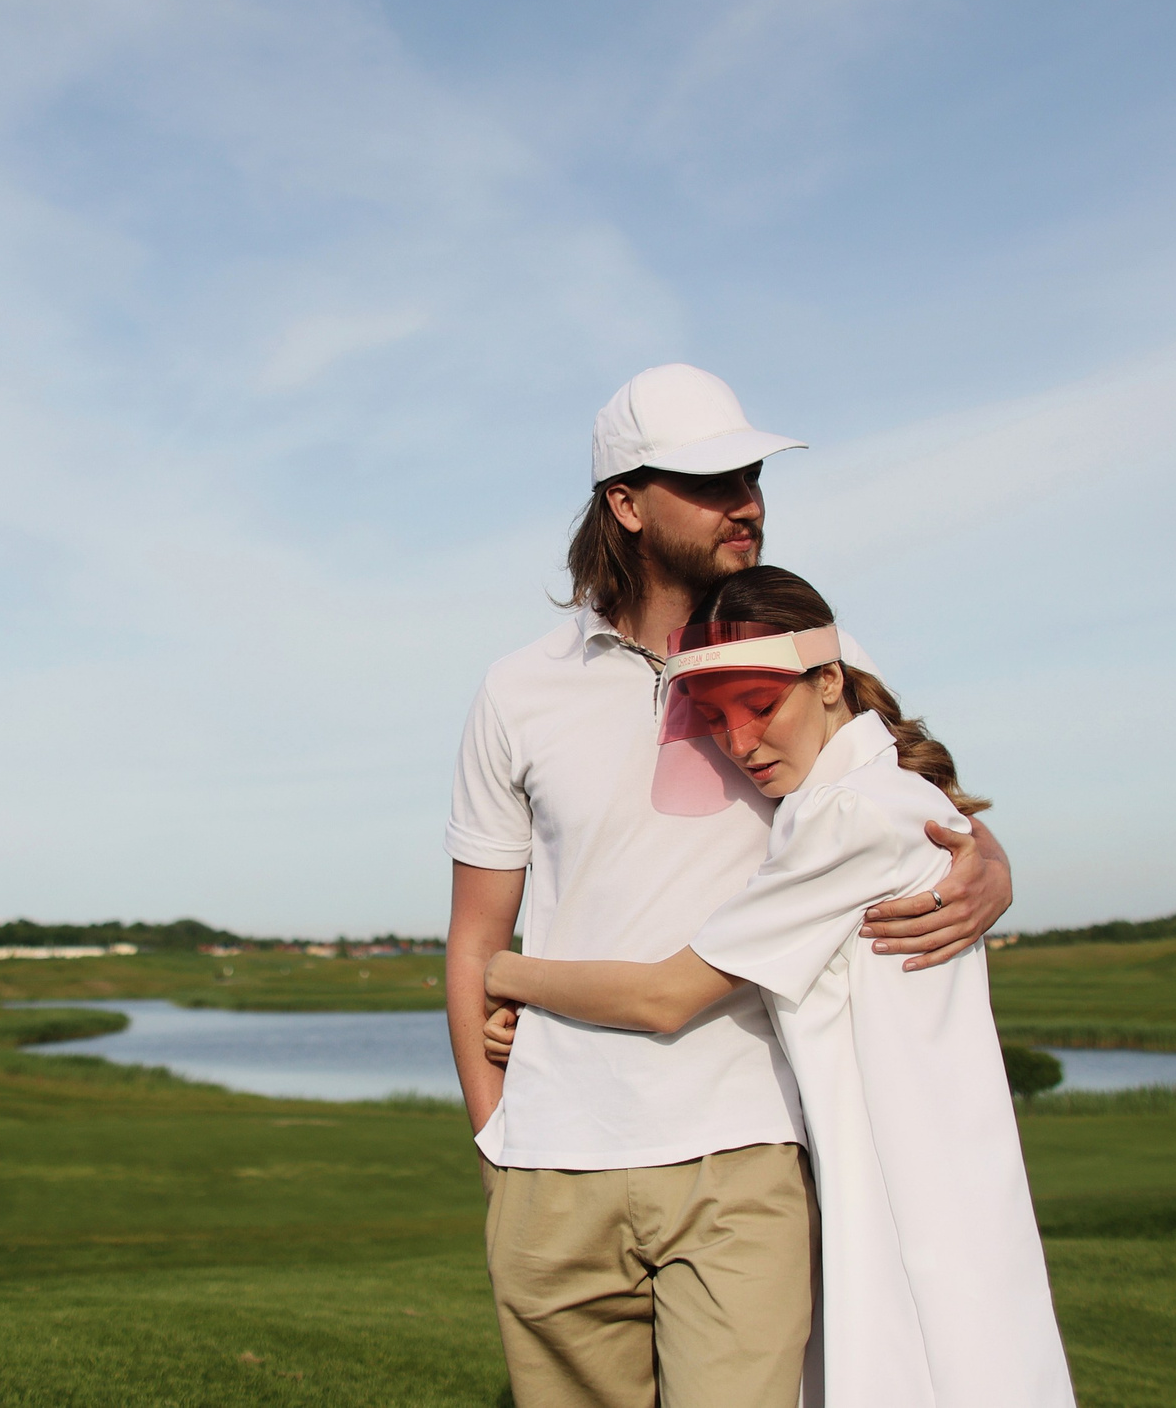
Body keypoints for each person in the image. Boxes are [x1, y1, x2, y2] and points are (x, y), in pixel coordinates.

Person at [446, 364, 1016, 1408]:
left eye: (748, 474)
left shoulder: (812, 650)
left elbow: (915, 809)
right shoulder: (518, 688)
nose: (743, 500)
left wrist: (995, 873)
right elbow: (472, 937)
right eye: (708, 481)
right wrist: (494, 1138)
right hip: (551, 1162)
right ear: (624, 503)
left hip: (746, 1148)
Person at [483, 565, 1074, 1408]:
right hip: (914, 1147)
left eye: (762, 706)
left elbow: (667, 994)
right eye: (717, 718)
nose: (740, 741)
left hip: (904, 1165)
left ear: (829, 679)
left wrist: (510, 973)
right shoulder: (875, 799)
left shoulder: (849, 816)